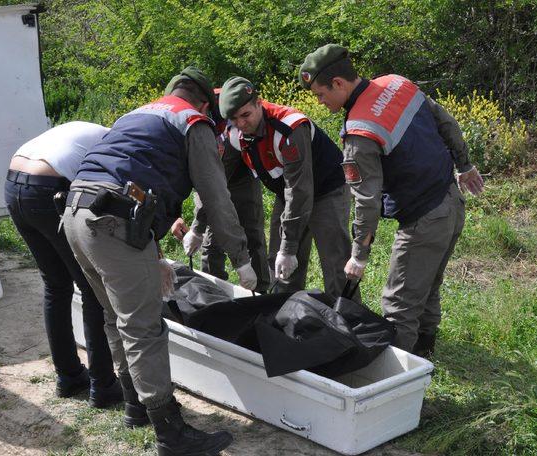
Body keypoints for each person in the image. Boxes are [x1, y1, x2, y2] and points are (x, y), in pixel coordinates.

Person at [62, 66, 256, 455]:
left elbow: (132, 176)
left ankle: (136, 405)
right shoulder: (193, 121)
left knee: (115, 316)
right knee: (144, 328)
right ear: (205, 102)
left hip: (74, 213)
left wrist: (156, 253)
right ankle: (170, 432)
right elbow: (216, 196)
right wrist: (242, 259)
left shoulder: (137, 114)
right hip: (112, 221)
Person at [299, 44, 485, 357]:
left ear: (339, 84)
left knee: (399, 305)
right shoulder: (397, 84)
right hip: (452, 202)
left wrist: (358, 254)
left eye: (320, 94)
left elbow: (366, 199)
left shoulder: (359, 131)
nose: (320, 102)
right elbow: (447, 123)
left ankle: (398, 379)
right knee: (427, 285)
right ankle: (425, 351)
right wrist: (464, 166)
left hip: (423, 219)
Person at [195, 76, 356, 300]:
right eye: (234, 118)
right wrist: (198, 227)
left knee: (335, 262)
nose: (241, 124)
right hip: (286, 192)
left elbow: (300, 191)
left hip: (326, 190)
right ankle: (289, 316)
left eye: (246, 115)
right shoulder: (234, 134)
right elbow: (218, 181)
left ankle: (350, 321)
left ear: (258, 104)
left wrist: (289, 247)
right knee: (280, 267)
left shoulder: (289, 128)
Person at [4, 121, 123, 408]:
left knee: (55, 285)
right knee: (91, 286)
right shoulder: (114, 143)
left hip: (13, 184)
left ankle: (69, 377)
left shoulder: (89, 131)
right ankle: (103, 385)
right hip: (47, 189)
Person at [183, 89, 270, 293]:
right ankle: (213, 292)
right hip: (209, 175)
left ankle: (260, 292)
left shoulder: (230, 114)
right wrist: (198, 228)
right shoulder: (186, 117)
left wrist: (196, 227)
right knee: (211, 242)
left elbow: (218, 179)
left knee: (253, 234)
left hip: (241, 178)